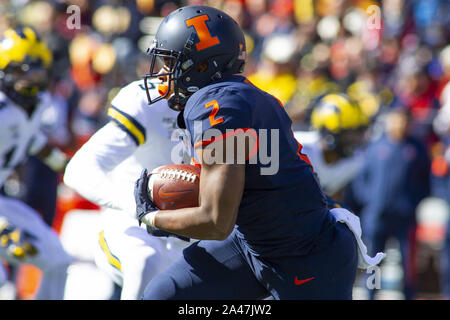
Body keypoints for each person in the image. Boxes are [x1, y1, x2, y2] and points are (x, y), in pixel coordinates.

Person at [133, 5, 383, 300]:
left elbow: (216, 221)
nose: (163, 73)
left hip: (305, 255)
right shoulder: (237, 95)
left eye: (169, 62)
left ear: (201, 65)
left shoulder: (216, 106)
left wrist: (152, 217)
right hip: (252, 240)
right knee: (163, 294)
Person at [63, 75, 191, 299]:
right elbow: (79, 170)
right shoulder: (149, 100)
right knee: (145, 261)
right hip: (136, 227)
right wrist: (137, 205)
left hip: (199, 230)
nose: (164, 70)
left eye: (173, 59)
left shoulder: (232, 103)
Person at [0, 26, 73, 299]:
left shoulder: (38, 103)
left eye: (36, 70)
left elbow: (30, 141)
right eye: (22, 71)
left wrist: (67, 168)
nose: (30, 79)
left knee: (57, 260)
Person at [350, 107, 431, 299]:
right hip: (377, 216)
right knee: (373, 261)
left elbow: (426, 182)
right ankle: (370, 295)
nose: (400, 124)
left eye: (404, 120)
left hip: (405, 218)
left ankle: (409, 295)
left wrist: (411, 202)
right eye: (396, 120)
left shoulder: (417, 149)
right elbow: (361, 179)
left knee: (407, 263)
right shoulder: (376, 146)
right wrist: (370, 200)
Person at [293, 93, 369, 202]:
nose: (355, 140)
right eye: (349, 133)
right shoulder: (298, 147)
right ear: (328, 132)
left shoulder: (356, 161)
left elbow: (333, 195)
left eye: (358, 133)